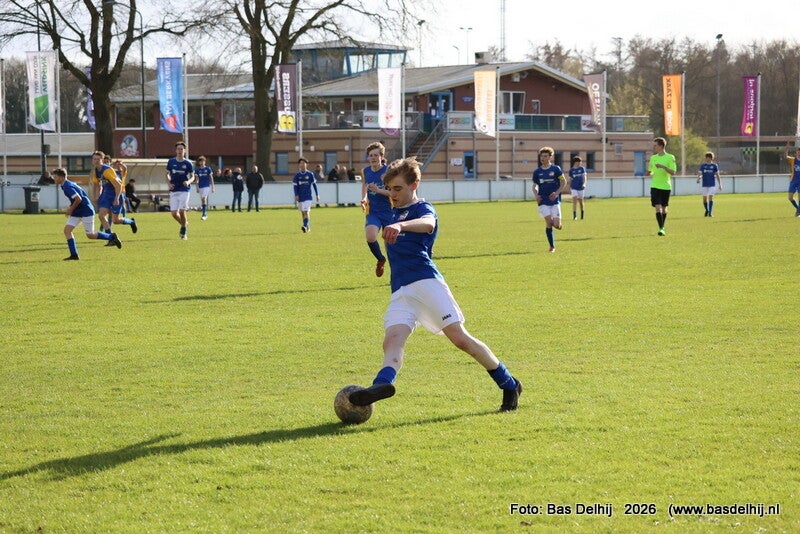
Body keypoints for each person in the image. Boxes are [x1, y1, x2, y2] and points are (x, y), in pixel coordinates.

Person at [348, 157, 522, 413]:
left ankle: (509, 383)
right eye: (390, 189)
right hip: (401, 290)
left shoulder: (422, 208)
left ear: (414, 185)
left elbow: (428, 223)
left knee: (460, 339)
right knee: (392, 340)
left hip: (426, 282)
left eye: (398, 188)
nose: (393, 194)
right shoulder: (393, 212)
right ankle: (381, 384)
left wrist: (400, 225)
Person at [53, 167, 121, 260]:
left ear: (61, 177)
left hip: (86, 210)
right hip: (78, 211)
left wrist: (70, 209)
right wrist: (72, 208)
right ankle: (74, 255)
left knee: (90, 235)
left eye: (55, 177)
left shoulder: (67, 186)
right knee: (67, 230)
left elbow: (78, 199)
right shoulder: (65, 184)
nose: (54, 179)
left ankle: (111, 237)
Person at [361, 142, 393, 276]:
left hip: (389, 211)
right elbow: (365, 185)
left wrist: (379, 190)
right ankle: (380, 259)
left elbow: (393, 193)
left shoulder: (388, 172)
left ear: (381, 156)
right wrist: (364, 198)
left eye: (376, 155)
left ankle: (395, 272)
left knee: (390, 245)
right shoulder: (366, 171)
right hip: (373, 211)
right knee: (370, 236)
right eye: (370, 155)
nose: (373, 158)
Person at [92, 151, 137, 237]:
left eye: (98, 159)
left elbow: (118, 185)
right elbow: (96, 184)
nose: (96, 161)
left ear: (102, 160)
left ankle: (131, 222)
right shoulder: (96, 171)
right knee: (101, 215)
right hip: (106, 194)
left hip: (116, 194)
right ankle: (110, 237)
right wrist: (96, 196)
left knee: (115, 220)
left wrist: (116, 198)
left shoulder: (107, 171)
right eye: (94, 159)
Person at [532, 146, 567, 252]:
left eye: (545, 156)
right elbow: (534, 186)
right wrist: (536, 195)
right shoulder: (537, 172)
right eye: (541, 156)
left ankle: (559, 224)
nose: (543, 158)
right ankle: (552, 246)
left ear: (550, 157)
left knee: (556, 225)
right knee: (548, 222)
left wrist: (557, 193)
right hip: (543, 201)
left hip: (554, 201)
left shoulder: (556, 169)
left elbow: (564, 182)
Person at [647, 137, 677, 236]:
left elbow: (673, 172)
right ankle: (661, 228)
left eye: (655, 145)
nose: (654, 147)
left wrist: (663, 167)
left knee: (664, 209)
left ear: (661, 146)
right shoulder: (653, 158)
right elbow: (651, 171)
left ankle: (662, 227)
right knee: (658, 207)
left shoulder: (670, 157)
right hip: (655, 186)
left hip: (666, 187)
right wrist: (650, 173)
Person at [166, 140, 195, 239]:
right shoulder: (171, 161)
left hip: (184, 190)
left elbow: (193, 177)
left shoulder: (188, 163)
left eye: (181, 149)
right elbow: (167, 174)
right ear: (176, 150)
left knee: (182, 211)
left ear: (184, 151)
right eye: (178, 149)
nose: (179, 151)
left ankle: (183, 232)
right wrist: (169, 183)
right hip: (174, 189)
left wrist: (188, 182)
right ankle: (184, 224)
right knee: (174, 214)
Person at [292, 157, 320, 233]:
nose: (302, 164)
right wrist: (296, 195)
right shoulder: (297, 175)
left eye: (304, 163)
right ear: (299, 165)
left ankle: (304, 226)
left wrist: (317, 194)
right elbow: (295, 186)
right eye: (301, 163)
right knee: (303, 212)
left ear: (306, 164)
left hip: (308, 197)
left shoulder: (310, 174)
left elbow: (314, 184)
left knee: (306, 211)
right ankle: (307, 227)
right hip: (300, 197)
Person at [696, 151, 722, 217]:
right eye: (706, 157)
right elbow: (700, 173)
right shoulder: (703, 166)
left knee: (711, 197)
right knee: (704, 199)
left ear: (710, 158)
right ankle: (707, 210)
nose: (706, 158)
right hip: (704, 184)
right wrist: (698, 178)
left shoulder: (714, 166)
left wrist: (720, 184)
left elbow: (717, 175)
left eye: (707, 157)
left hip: (712, 184)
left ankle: (710, 213)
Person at [194, 155, 215, 220]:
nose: (202, 162)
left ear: (205, 162)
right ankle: (205, 213)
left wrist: (213, 187)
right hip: (200, 186)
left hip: (206, 186)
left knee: (204, 199)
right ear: (199, 162)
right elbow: (196, 179)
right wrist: (197, 187)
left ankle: (204, 214)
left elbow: (211, 178)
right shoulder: (197, 170)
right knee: (202, 200)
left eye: (203, 161)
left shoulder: (208, 169)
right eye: (201, 161)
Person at [568, 156, 587, 220]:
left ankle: (582, 215)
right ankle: (575, 216)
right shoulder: (571, 170)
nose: (580, 163)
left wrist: (584, 184)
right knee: (575, 200)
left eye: (580, 162)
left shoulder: (582, 169)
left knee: (581, 201)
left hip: (581, 187)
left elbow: (584, 177)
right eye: (578, 162)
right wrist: (569, 187)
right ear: (575, 162)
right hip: (574, 187)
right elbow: (570, 179)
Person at [785, 143, 800, 217]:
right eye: (798, 151)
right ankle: (798, 209)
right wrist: (786, 149)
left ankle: (799, 212)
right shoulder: (793, 160)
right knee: (790, 197)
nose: (799, 153)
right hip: (793, 180)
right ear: (796, 152)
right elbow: (786, 156)